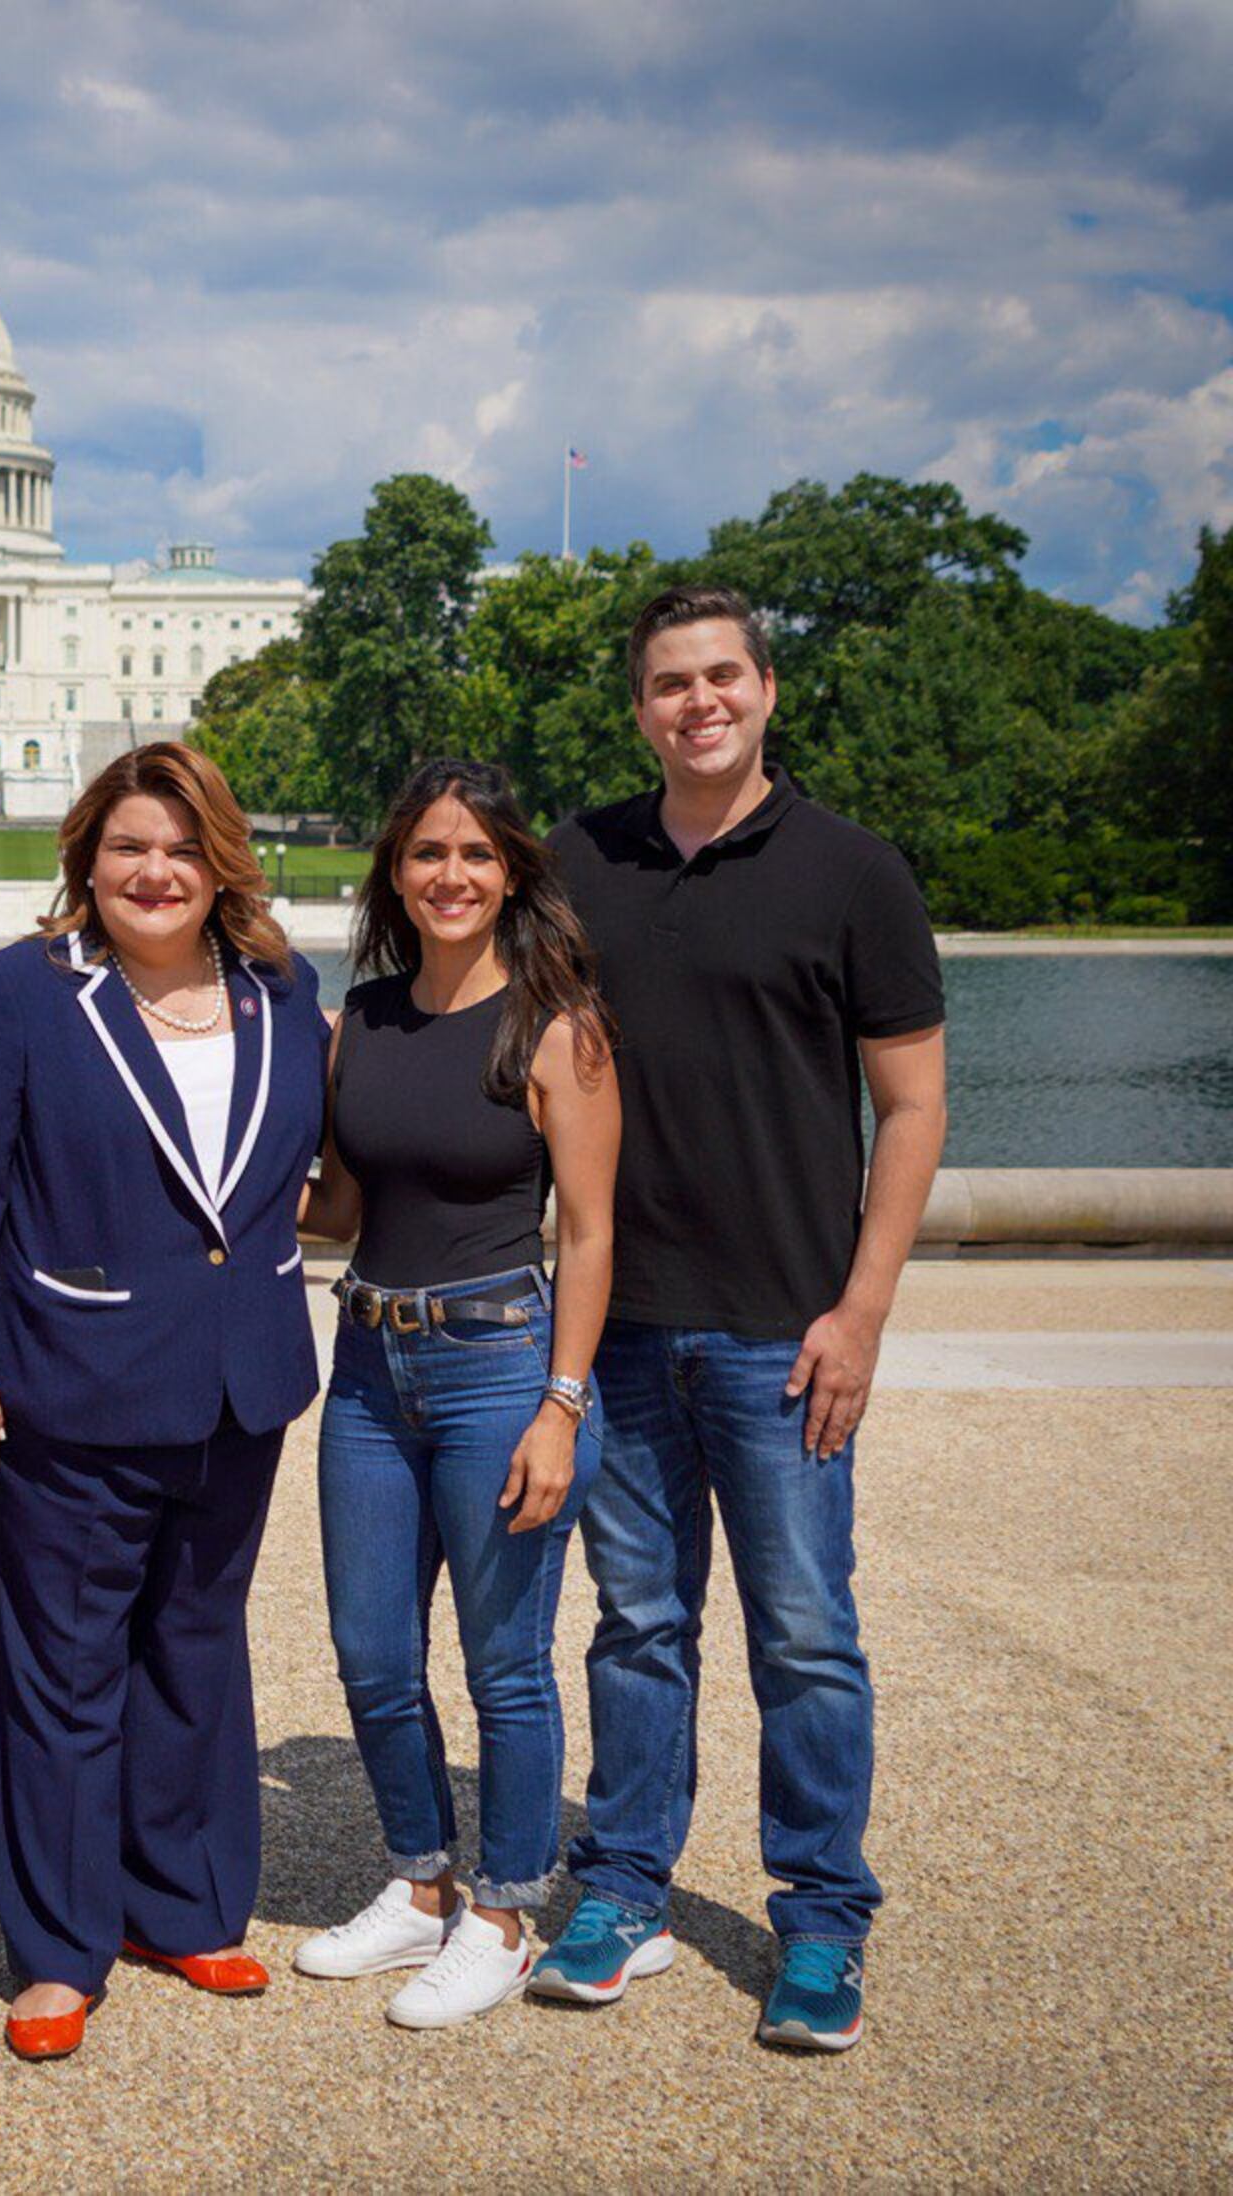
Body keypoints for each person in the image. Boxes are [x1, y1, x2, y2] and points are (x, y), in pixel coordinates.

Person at [534, 585, 947, 2053]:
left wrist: (866, 1310)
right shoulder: (581, 859)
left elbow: (910, 1106)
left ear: (768, 689)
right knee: (637, 1630)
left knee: (807, 1636)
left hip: (787, 1327)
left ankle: (824, 1917)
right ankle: (624, 1885)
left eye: (721, 676)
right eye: (668, 684)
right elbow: (476, 1018)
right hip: (627, 1323)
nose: (697, 703)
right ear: (639, 707)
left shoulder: (854, 871)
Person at [0, 742, 327, 2062]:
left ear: (222, 863)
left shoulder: (281, 988)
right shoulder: (17, 996)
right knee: (63, 1673)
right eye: (130, 846)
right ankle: (56, 1947)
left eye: (183, 848)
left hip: (237, 1382)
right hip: (65, 1385)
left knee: (196, 1654)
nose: (157, 871)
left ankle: (183, 1901)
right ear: (87, 857)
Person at [294, 759, 619, 2027]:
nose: (450, 875)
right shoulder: (357, 1021)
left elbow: (589, 1234)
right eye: (428, 852)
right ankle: (422, 1884)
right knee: (371, 1655)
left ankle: (503, 1912)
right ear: (395, 870)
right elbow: (339, 1207)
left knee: (505, 1667)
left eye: (476, 855)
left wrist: (562, 1404)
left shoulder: (556, 1025)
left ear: (511, 874)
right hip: (368, 1363)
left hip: (497, 1365)